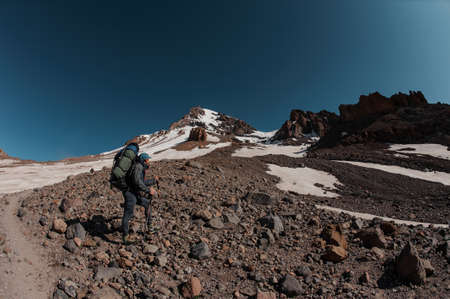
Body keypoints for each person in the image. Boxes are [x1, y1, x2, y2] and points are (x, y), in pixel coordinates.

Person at [121, 152, 159, 244]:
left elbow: (141, 182)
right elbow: (137, 182)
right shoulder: (138, 166)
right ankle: (125, 237)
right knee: (128, 214)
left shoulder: (140, 167)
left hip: (134, 192)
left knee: (147, 204)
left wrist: (154, 181)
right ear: (144, 160)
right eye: (147, 160)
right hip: (130, 193)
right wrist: (148, 190)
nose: (148, 162)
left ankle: (150, 228)